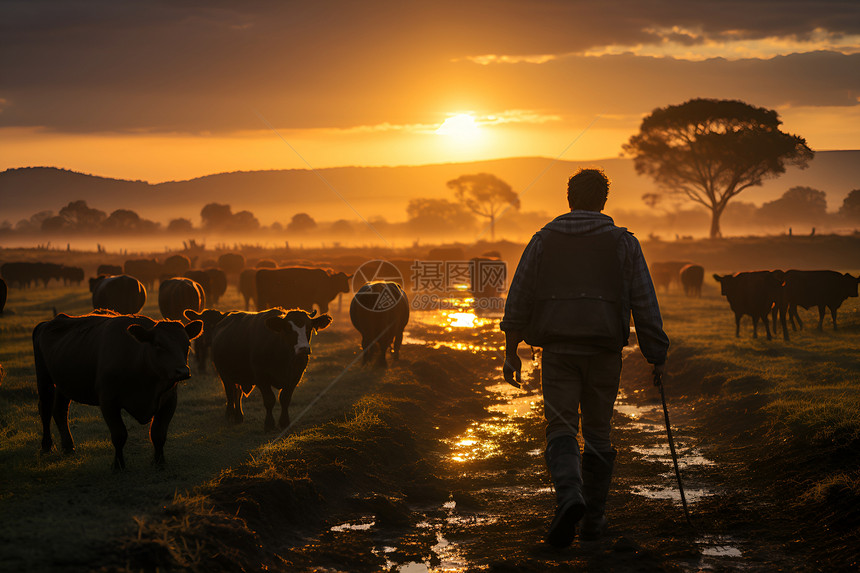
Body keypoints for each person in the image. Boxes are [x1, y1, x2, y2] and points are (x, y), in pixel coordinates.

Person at [500, 168, 669, 548]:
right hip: (604, 353)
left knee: (560, 428)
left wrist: (511, 353)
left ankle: (569, 498)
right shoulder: (624, 243)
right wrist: (656, 355)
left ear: (569, 199)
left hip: (558, 353)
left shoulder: (543, 241)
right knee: (597, 433)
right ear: (603, 201)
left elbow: (519, 298)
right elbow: (644, 302)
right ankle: (593, 520)